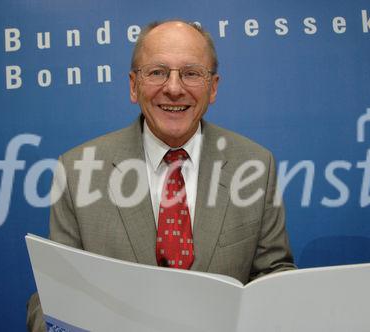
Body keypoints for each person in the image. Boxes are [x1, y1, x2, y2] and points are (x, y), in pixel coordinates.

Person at [27, 19, 295, 331]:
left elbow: (274, 276)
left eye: (191, 73)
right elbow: (54, 296)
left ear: (213, 87)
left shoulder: (256, 165)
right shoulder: (76, 171)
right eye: (157, 72)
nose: (173, 88)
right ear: (133, 85)